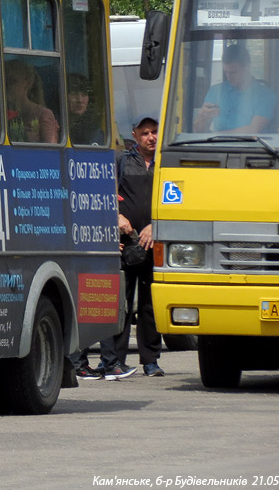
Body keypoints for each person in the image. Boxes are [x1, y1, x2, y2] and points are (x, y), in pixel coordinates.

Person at [112, 115, 164, 378]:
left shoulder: (165, 165)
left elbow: (174, 198)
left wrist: (157, 225)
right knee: (121, 302)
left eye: (154, 132)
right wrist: (117, 217)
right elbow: (105, 193)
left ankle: (151, 360)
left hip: (155, 244)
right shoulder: (121, 161)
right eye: (145, 133)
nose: (151, 137)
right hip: (126, 243)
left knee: (150, 304)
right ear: (134, 135)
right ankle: (117, 361)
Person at [193, 45, 275, 134]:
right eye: (226, 72)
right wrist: (202, 117)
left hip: (252, 146)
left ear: (247, 67)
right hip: (217, 147)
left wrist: (216, 136)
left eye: (233, 72)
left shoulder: (265, 95)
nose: (228, 77)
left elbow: (253, 129)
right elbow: (199, 131)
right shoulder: (216, 91)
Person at [4, 59, 59, 144]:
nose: (7, 87)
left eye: (12, 82)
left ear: (28, 83)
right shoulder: (0, 113)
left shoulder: (43, 114)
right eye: (5, 82)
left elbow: (51, 151)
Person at [67, 74, 104, 145]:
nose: (80, 100)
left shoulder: (94, 132)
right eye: (74, 93)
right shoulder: (55, 126)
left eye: (84, 94)